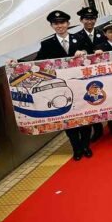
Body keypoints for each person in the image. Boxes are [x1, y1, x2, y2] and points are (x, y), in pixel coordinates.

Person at [35, 10, 92, 161]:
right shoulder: (47, 44)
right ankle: (77, 149)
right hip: (60, 89)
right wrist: (15, 64)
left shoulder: (79, 38)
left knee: (85, 117)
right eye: (56, 23)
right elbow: (36, 62)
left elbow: (92, 54)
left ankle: (86, 146)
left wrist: (85, 52)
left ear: (68, 23)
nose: (59, 26)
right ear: (52, 26)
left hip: (80, 86)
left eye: (62, 23)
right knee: (68, 120)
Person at [73, 6, 106, 142]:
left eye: (92, 19)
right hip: (87, 75)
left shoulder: (102, 33)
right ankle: (97, 128)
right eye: (87, 19)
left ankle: (110, 125)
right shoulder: (76, 37)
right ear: (81, 20)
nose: (90, 21)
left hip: (103, 73)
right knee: (91, 101)